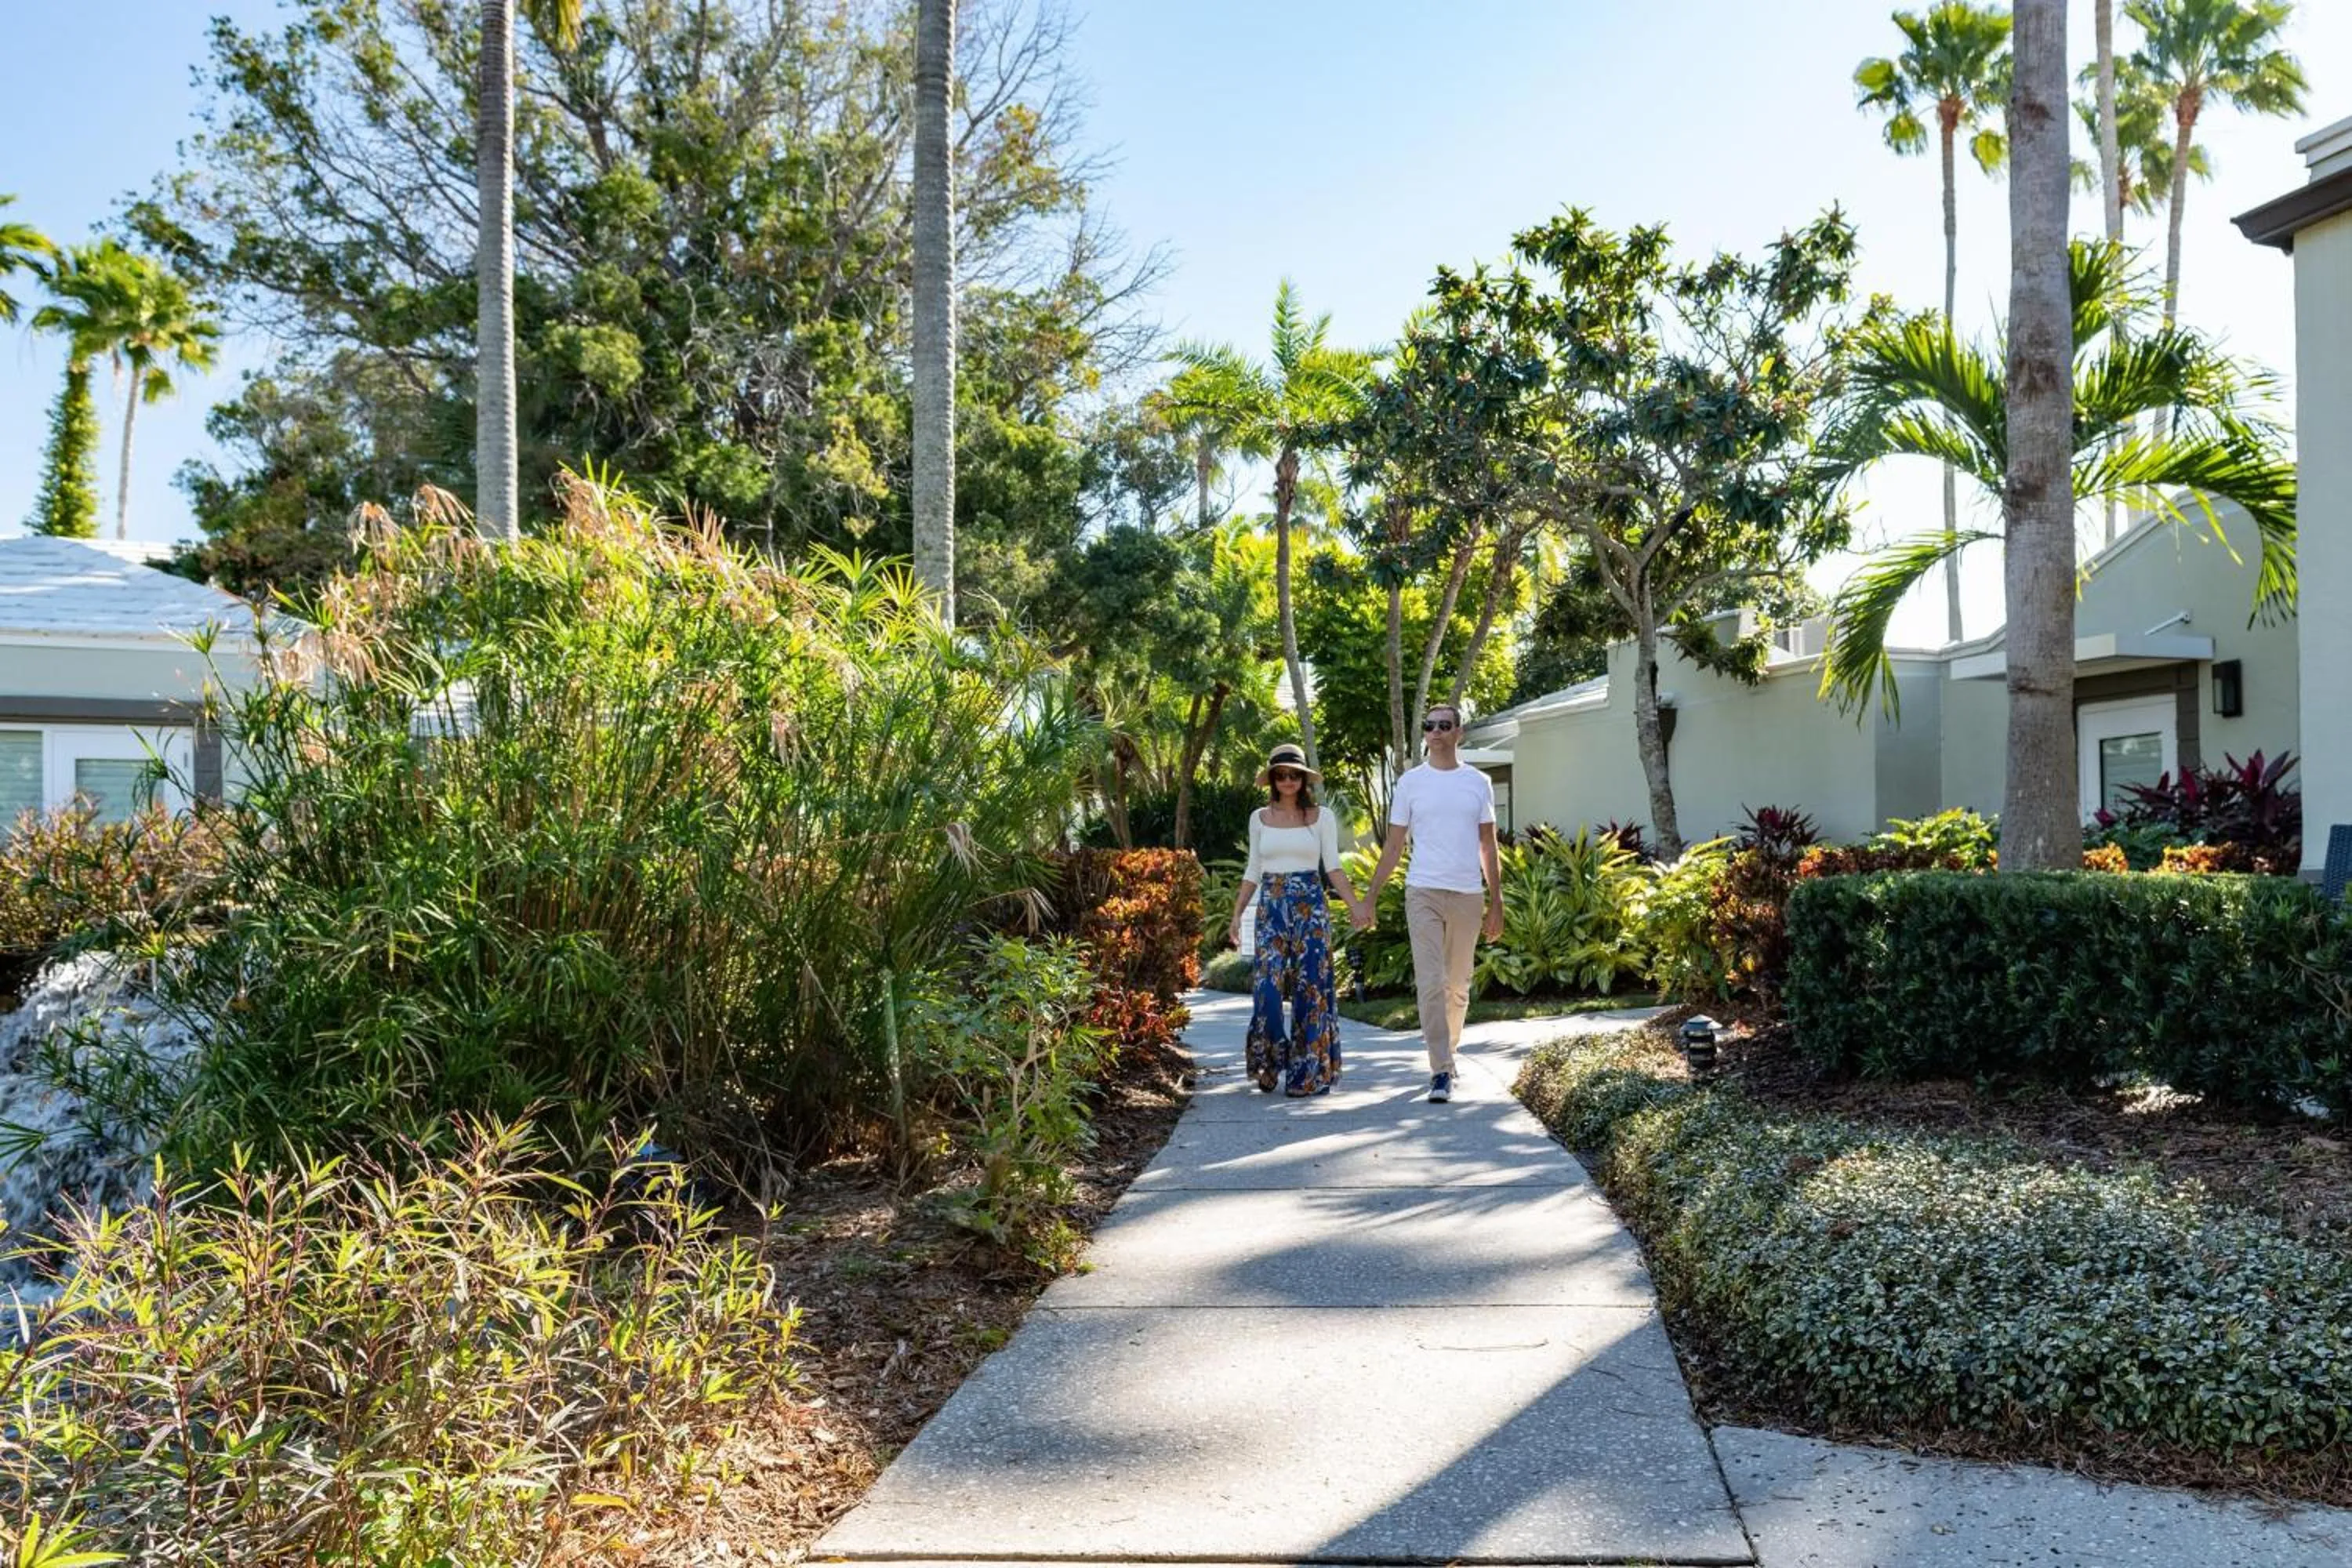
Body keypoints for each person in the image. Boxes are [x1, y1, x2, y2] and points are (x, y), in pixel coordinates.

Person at [1359, 703, 1503, 1102]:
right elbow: (1393, 846)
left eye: (1444, 725)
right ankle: (1440, 1069)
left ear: (1459, 732)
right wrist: (1370, 896)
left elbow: (1488, 845)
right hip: (1422, 890)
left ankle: (1448, 1052)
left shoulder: (1478, 782)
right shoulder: (1411, 783)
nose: (1435, 731)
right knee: (1429, 981)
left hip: (1467, 893)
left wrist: (1496, 901)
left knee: (1457, 983)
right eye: (1429, 726)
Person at [1225, 744, 1368, 1097]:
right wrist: (1237, 913)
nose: (1288, 781)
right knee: (1267, 988)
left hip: (1311, 905)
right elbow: (1253, 869)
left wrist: (1355, 906)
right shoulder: (1259, 818)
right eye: (1281, 775)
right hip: (1271, 906)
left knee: (1311, 988)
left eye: (1294, 775)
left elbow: (1332, 867)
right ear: (1273, 780)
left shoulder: (1321, 817)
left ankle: (1307, 1073)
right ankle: (1271, 1062)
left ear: (1303, 780)